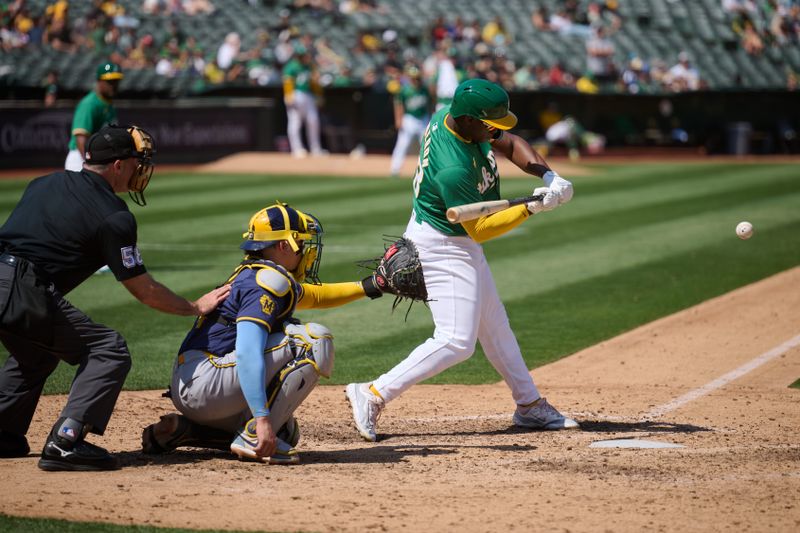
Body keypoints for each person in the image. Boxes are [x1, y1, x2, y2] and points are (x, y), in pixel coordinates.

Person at [345, 79, 580, 442]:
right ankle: (373, 392)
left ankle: (529, 405)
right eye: (490, 124)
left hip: (458, 240)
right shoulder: (452, 166)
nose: (496, 131)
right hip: (442, 244)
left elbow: (513, 142)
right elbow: (481, 229)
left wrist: (548, 175)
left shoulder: (459, 120)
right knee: (456, 340)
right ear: (469, 120)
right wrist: (532, 207)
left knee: (495, 325)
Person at [0, 125, 230, 471]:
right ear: (119, 165)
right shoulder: (114, 215)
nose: (141, 169)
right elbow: (143, 289)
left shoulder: (43, 182)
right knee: (108, 349)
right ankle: (67, 440)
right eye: (137, 162)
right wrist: (195, 306)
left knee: (35, 355)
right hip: (22, 288)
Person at [141, 203, 385, 464]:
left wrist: (371, 286)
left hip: (198, 383)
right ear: (283, 246)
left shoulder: (259, 273)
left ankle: (188, 432)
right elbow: (247, 352)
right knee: (313, 340)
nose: (305, 250)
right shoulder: (265, 283)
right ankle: (252, 435)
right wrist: (261, 417)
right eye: (301, 243)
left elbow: (314, 295)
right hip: (206, 382)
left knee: (285, 433)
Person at [65, 62, 124, 172]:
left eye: (116, 81)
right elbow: (81, 139)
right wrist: (91, 165)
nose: (114, 85)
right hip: (80, 160)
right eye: (110, 81)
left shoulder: (109, 104)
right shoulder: (89, 104)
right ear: (99, 81)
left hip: (96, 159)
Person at [283, 46, 325, 158]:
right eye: (303, 55)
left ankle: (316, 148)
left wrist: (318, 95)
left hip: (308, 94)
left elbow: (315, 82)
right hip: (296, 94)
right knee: (295, 122)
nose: (306, 57)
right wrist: (288, 94)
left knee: (313, 121)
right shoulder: (291, 66)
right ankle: (296, 149)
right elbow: (287, 81)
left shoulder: (309, 66)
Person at [389, 67, 432, 177]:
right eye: (413, 78)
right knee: (402, 144)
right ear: (409, 78)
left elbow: (430, 104)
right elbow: (398, 105)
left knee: (427, 145)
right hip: (409, 119)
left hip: (423, 119)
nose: (416, 80)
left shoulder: (424, 89)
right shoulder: (404, 90)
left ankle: (430, 170)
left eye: (417, 78)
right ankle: (395, 169)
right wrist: (398, 119)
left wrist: (431, 117)